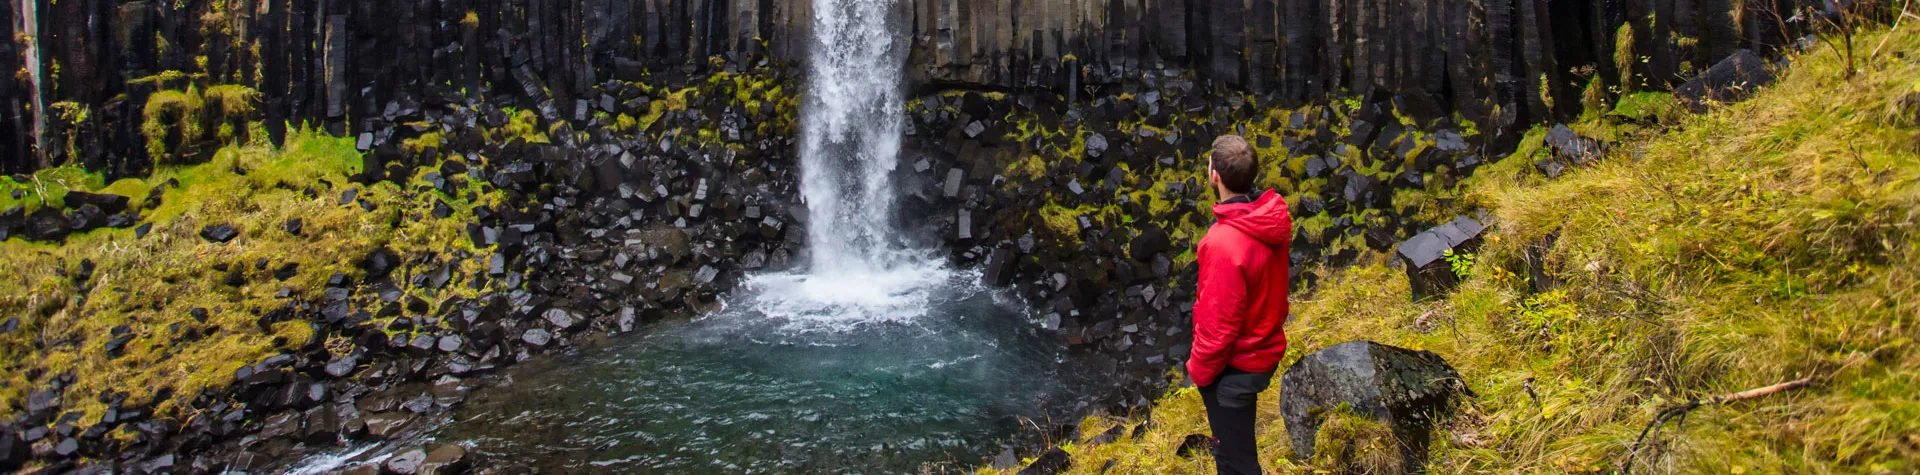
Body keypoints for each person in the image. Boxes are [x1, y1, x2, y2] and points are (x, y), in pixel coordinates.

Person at [1188, 134, 1293, 475]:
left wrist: (1199, 372)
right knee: (1231, 451)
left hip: (1236, 365)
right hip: (1264, 347)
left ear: (1214, 175)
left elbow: (1220, 325)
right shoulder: (1268, 217)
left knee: (1238, 461)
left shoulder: (1222, 243)